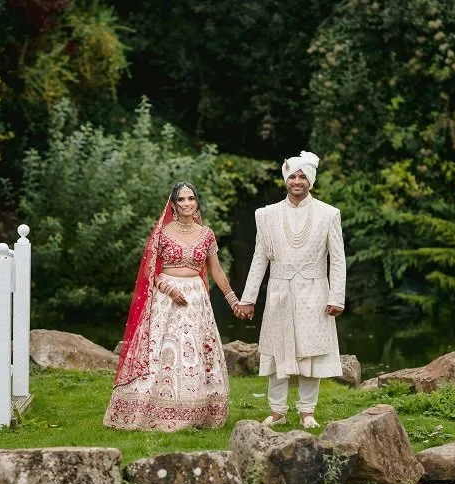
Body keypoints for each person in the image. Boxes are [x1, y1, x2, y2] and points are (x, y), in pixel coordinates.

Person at [104, 182, 238, 431]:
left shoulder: (206, 233)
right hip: (167, 298)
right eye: (181, 200)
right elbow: (149, 271)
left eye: (191, 199)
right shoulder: (162, 233)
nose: (187, 204)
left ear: (197, 202)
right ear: (174, 205)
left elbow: (216, 270)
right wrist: (168, 289)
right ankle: (146, 411)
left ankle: (198, 413)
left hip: (196, 299)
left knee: (197, 351)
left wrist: (232, 300)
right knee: (162, 351)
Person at [234, 151, 346, 429]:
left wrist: (337, 297)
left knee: (309, 352)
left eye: (303, 176)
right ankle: (277, 411)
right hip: (279, 291)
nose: (297, 181)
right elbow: (259, 259)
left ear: (311, 181)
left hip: (315, 292)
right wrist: (247, 299)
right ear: (286, 179)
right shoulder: (267, 215)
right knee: (278, 351)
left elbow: (338, 259)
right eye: (292, 176)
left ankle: (307, 411)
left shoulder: (329, 214)